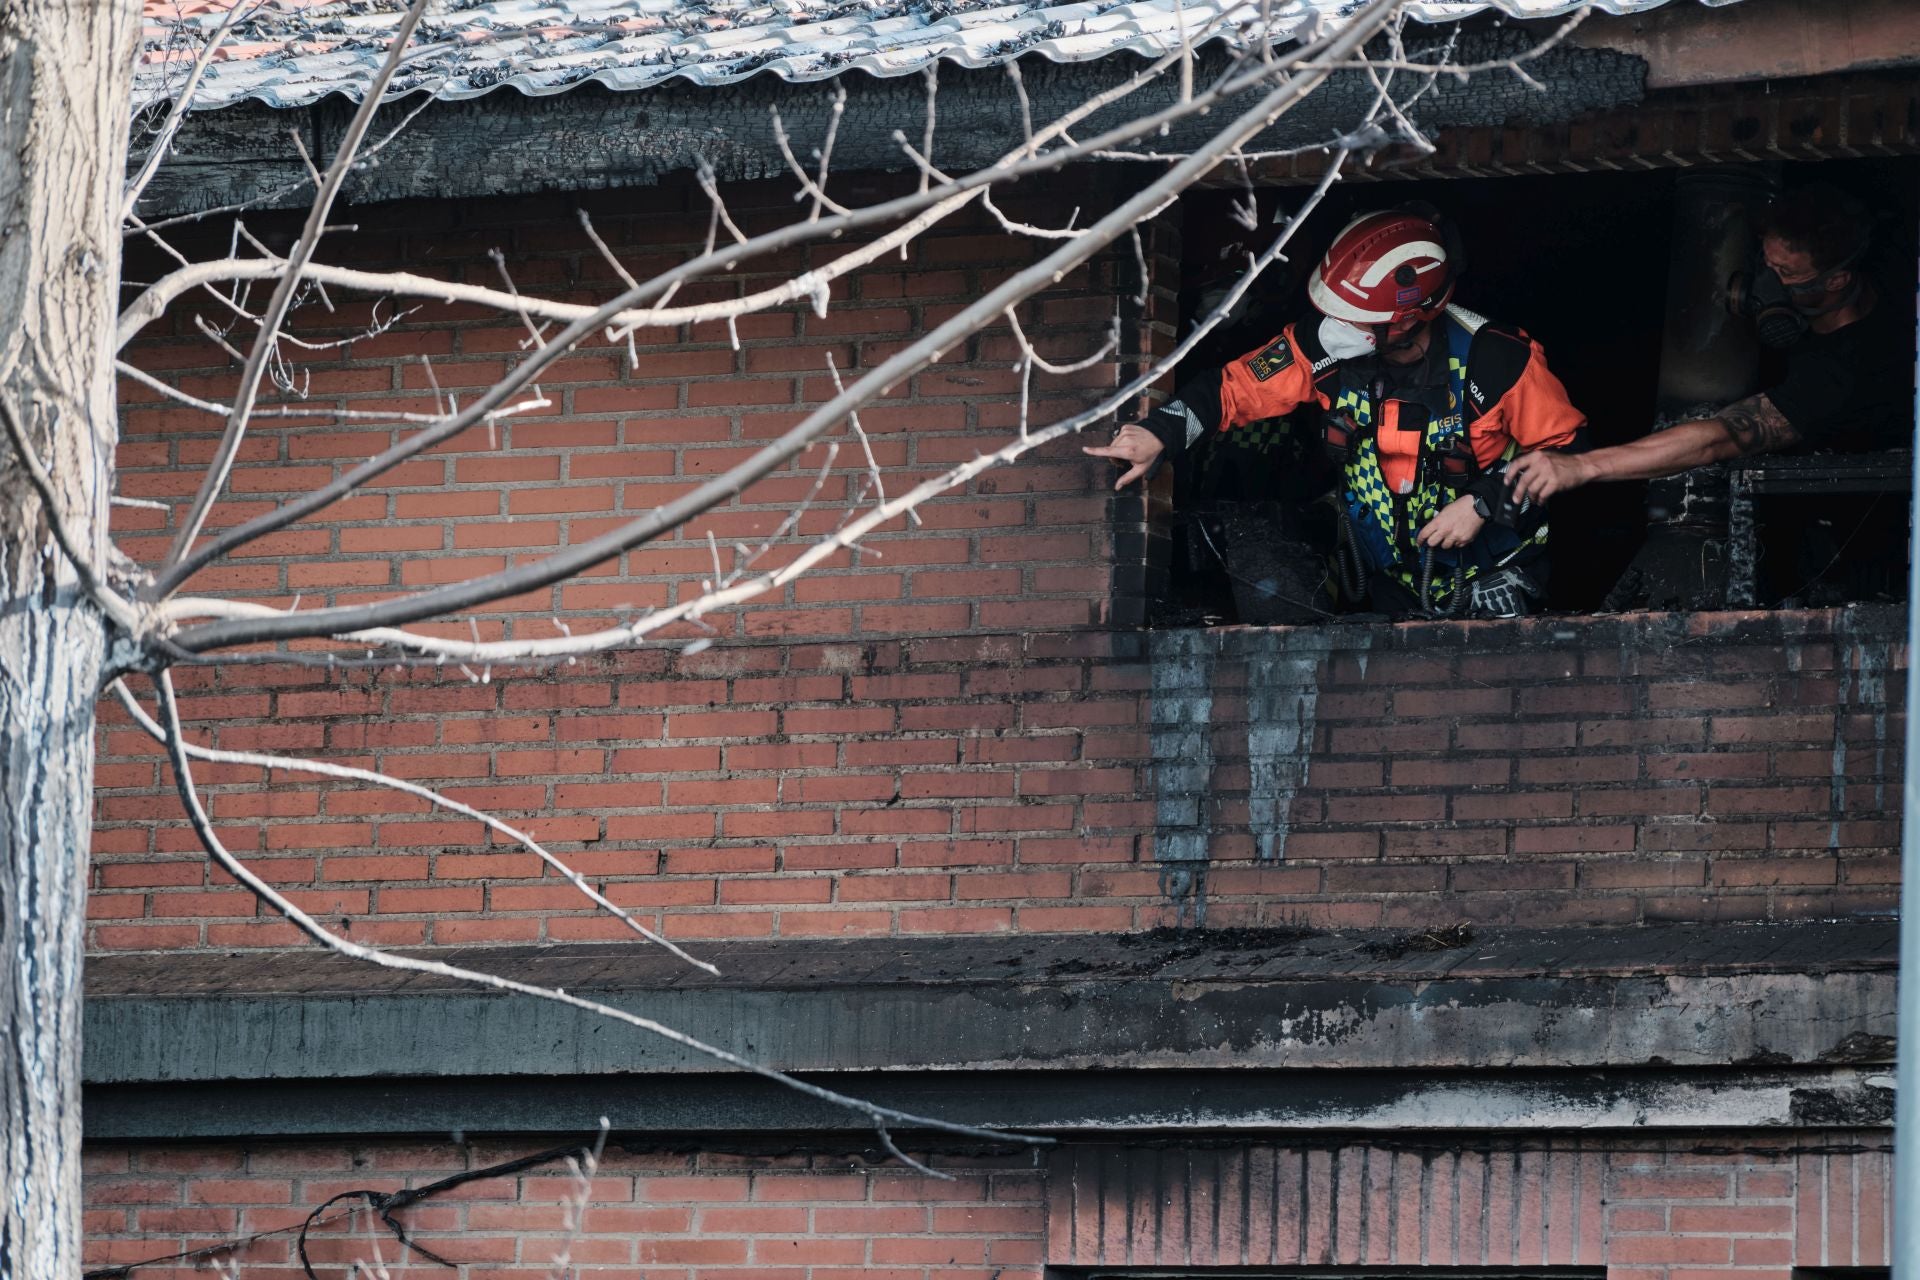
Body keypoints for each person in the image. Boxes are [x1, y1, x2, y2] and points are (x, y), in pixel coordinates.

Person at [1086, 207, 1589, 618]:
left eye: (1355, 319)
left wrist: (1481, 503)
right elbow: (1231, 390)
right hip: (1390, 579)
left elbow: (1567, 453)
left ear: (1407, 320)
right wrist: (1160, 432)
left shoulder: (1498, 360)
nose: (1335, 327)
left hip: (1494, 576)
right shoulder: (1322, 346)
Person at [1505, 184, 1914, 506]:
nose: (1766, 283)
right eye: (1766, 264)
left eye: (1784, 273)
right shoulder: (1873, 261)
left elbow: (1717, 437)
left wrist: (1582, 466)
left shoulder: (1840, 373)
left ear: (1837, 280)